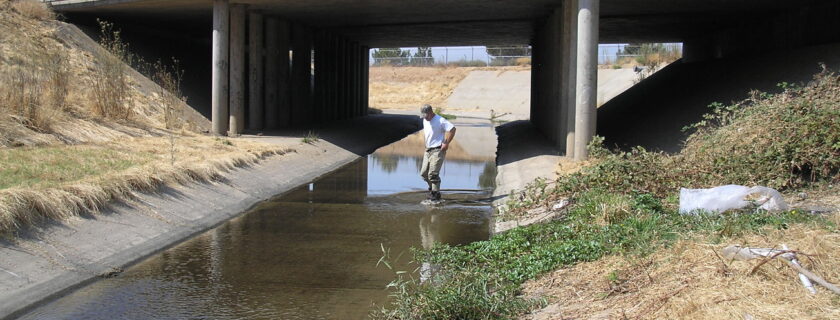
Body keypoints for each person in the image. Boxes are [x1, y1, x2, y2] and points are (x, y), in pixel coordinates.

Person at [419, 104, 456, 201]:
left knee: (433, 174)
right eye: (423, 116)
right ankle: (432, 189)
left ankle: (435, 194)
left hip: (438, 150)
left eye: (426, 116)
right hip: (428, 150)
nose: (425, 118)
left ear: (431, 112)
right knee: (423, 173)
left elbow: (452, 129)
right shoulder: (425, 120)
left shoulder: (440, 120)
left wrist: (446, 143)